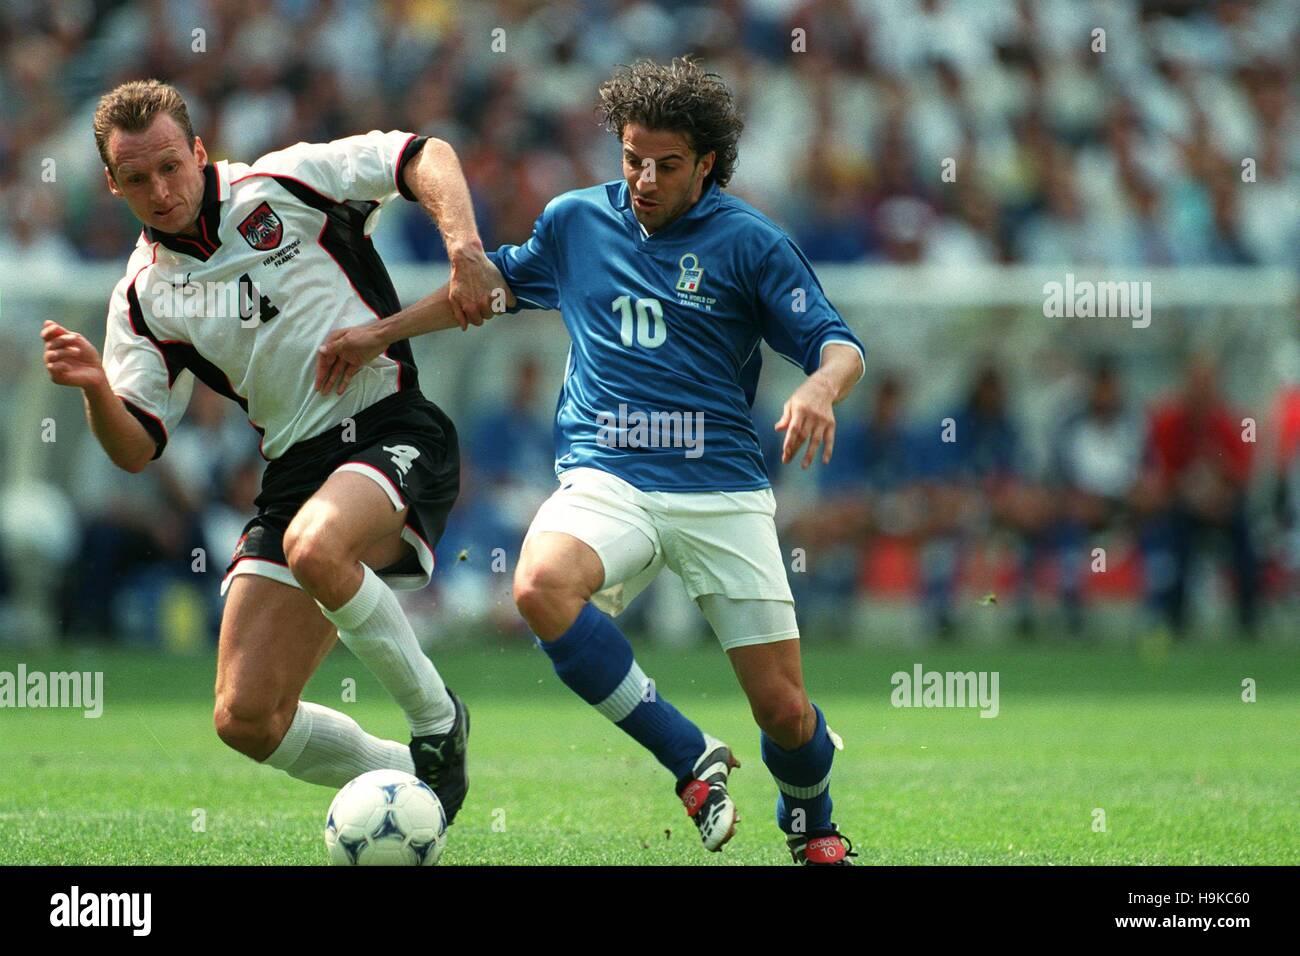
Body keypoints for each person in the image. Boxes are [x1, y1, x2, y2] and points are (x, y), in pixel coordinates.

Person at [318, 58, 866, 865]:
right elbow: (486, 292)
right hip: (607, 475)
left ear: (706, 163)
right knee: (539, 586)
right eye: (632, 157)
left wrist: (820, 388)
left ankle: (811, 821)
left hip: (721, 489)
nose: (644, 178)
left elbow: (840, 344)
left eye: (667, 164)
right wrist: (375, 333)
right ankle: (689, 757)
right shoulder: (576, 222)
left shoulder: (751, 243)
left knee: (785, 712)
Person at [40, 78, 507, 825]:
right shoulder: (143, 296)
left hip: (390, 427)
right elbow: (136, 448)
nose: (160, 190)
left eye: (170, 166)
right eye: (136, 179)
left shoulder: (284, 180)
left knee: (319, 545)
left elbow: (424, 154)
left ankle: (437, 724)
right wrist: (96, 387)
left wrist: (465, 250)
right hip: (295, 472)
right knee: (245, 718)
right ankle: (412, 781)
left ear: (198, 151)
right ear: (112, 185)